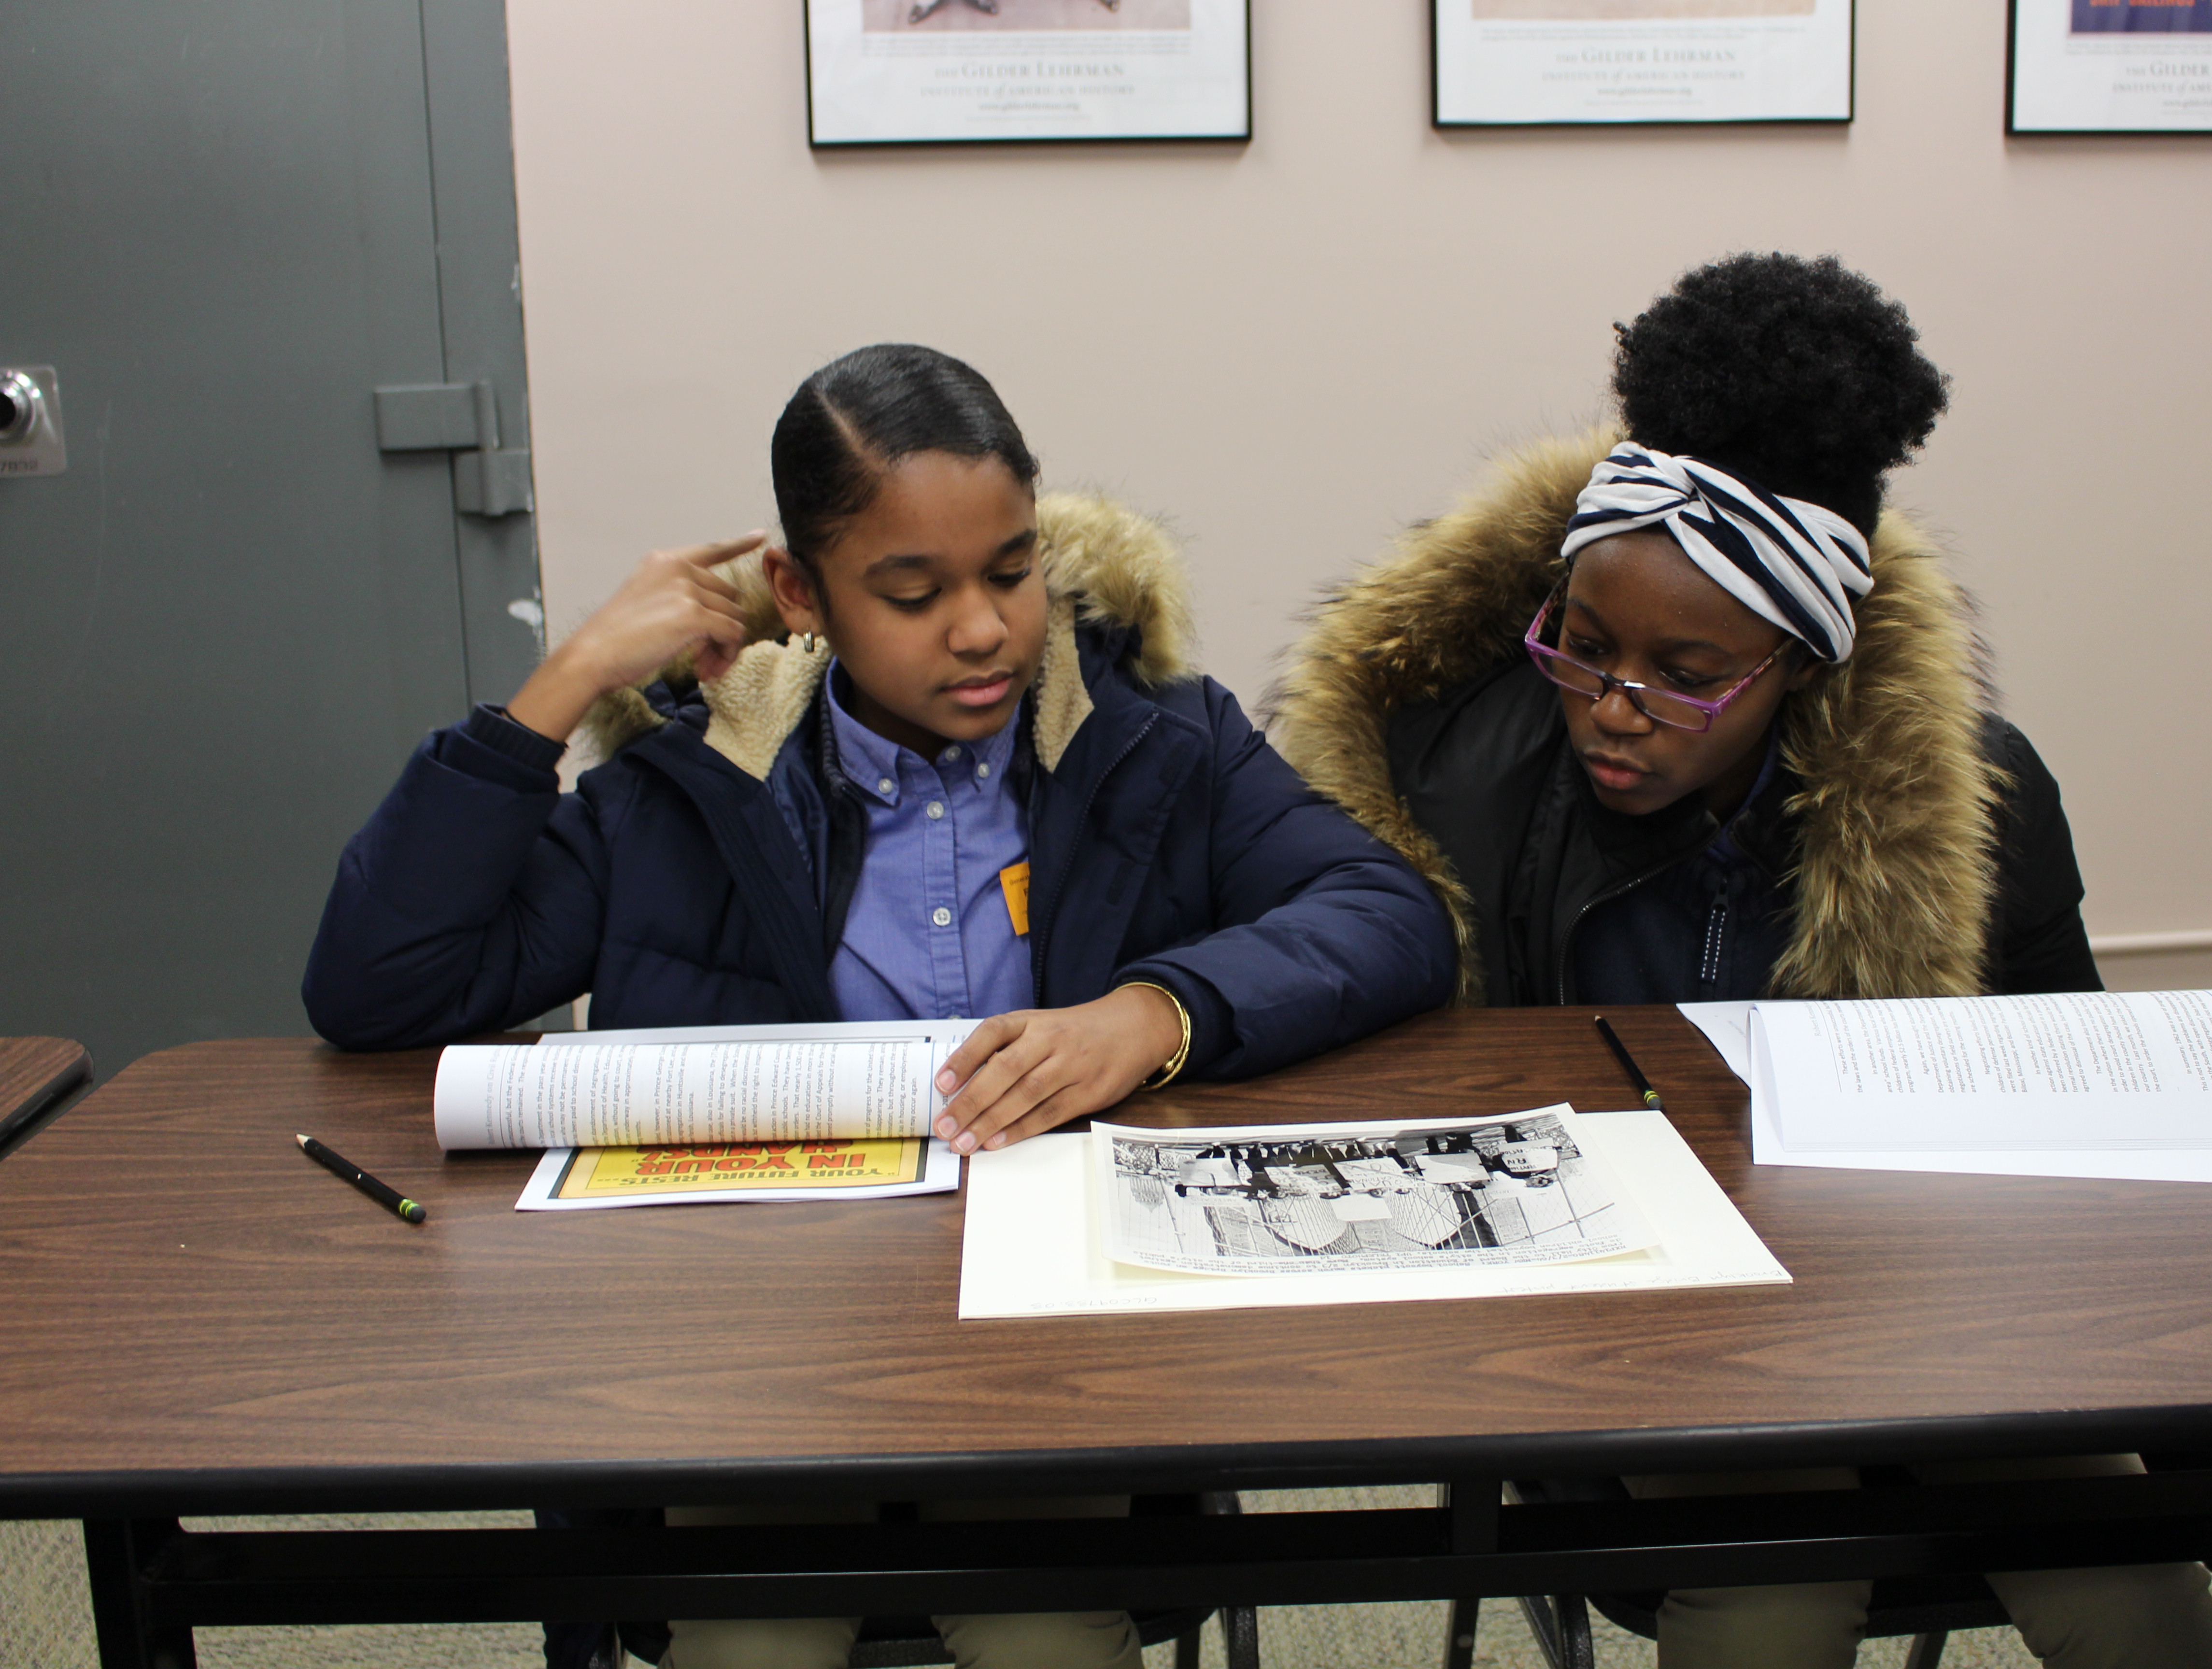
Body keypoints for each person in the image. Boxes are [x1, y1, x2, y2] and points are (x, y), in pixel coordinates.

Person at [303, 342, 1456, 1669]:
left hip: (1055, 1354)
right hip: (760, 1343)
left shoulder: (1163, 747)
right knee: (753, 1650)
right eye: (913, 592)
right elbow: (379, 992)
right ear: (802, 595)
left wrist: (1152, 1014)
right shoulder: (684, 797)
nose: (982, 628)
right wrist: (557, 691)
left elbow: (1390, 918)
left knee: (1051, 1641)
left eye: (1012, 570)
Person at [1264, 254, 2212, 1669]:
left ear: (1806, 665)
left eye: (1689, 672)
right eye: (1583, 645)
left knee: (2104, 1530)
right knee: (1774, 1563)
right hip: (1613, 1319)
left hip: (1900, 1294)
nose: (1615, 708)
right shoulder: (1445, 774)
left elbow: (2072, 1092)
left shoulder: (1974, 804)